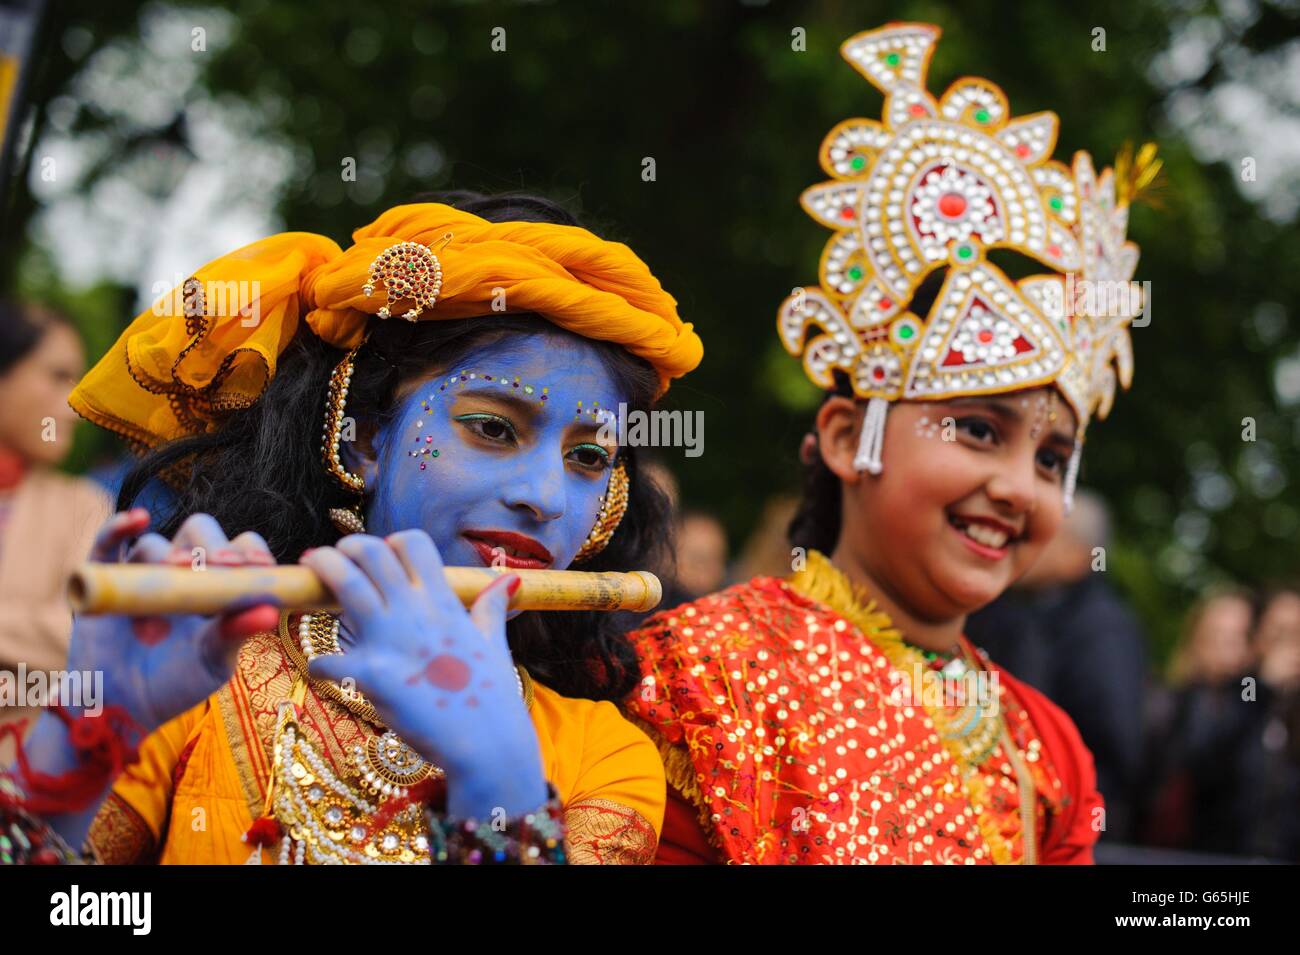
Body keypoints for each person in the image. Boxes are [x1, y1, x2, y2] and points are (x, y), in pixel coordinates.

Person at [0, 193, 703, 864]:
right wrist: (85, 736)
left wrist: (498, 781)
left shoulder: (600, 754)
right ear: (363, 439)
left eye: (587, 456)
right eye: (492, 427)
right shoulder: (201, 675)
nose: (544, 497)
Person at [625, 22, 1156, 864]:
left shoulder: (1046, 748)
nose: (1020, 486)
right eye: (979, 429)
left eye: (1052, 459)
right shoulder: (692, 677)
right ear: (845, 436)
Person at [965, 489, 1146, 843]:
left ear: (1078, 555)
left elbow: (1112, 748)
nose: (1018, 543)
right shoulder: (1025, 612)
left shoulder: (1101, 629)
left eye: (1039, 536)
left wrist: (1066, 830)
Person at [0, 302, 112, 762]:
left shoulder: (84, 507)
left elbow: (87, 636)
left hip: (21, 790)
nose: (74, 402)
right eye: (57, 375)